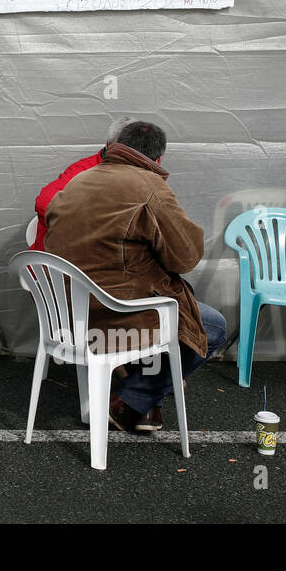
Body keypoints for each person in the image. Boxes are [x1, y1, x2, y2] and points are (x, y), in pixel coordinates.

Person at [44, 120, 227, 432]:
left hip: (65, 313)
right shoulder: (151, 187)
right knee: (212, 327)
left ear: (116, 146)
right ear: (158, 159)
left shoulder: (79, 180)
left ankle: (145, 404)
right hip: (111, 317)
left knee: (184, 297)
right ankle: (129, 400)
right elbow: (185, 257)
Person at [29, 117, 131, 251]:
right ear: (109, 145)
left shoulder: (138, 175)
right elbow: (44, 203)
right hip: (59, 263)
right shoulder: (82, 170)